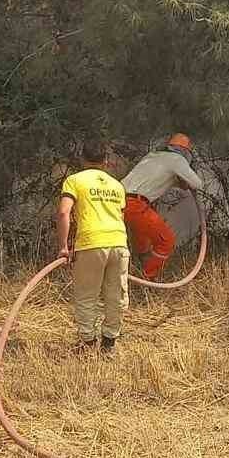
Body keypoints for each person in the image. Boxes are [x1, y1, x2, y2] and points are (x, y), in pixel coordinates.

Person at [56, 140, 129, 354]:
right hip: (118, 243)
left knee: (87, 295)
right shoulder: (117, 186)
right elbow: (121, 216)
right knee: (116, 296)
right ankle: (109, 344)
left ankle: (87, 344)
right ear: (105, 161)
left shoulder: (74, 180)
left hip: (90, 244)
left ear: (82, 159)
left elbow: (63, 213)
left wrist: (63, 246)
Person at [122, 132, 204, 280]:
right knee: (166, 241)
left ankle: (138, 268)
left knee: (143, 243)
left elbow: (173, 181)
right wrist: (188, 171)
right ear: (186, 152)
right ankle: (147, 280)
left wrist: (182, 180)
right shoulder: (177, 160)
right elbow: (197, 184)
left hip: (118, 198)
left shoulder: (153, 156)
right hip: (135, 204)